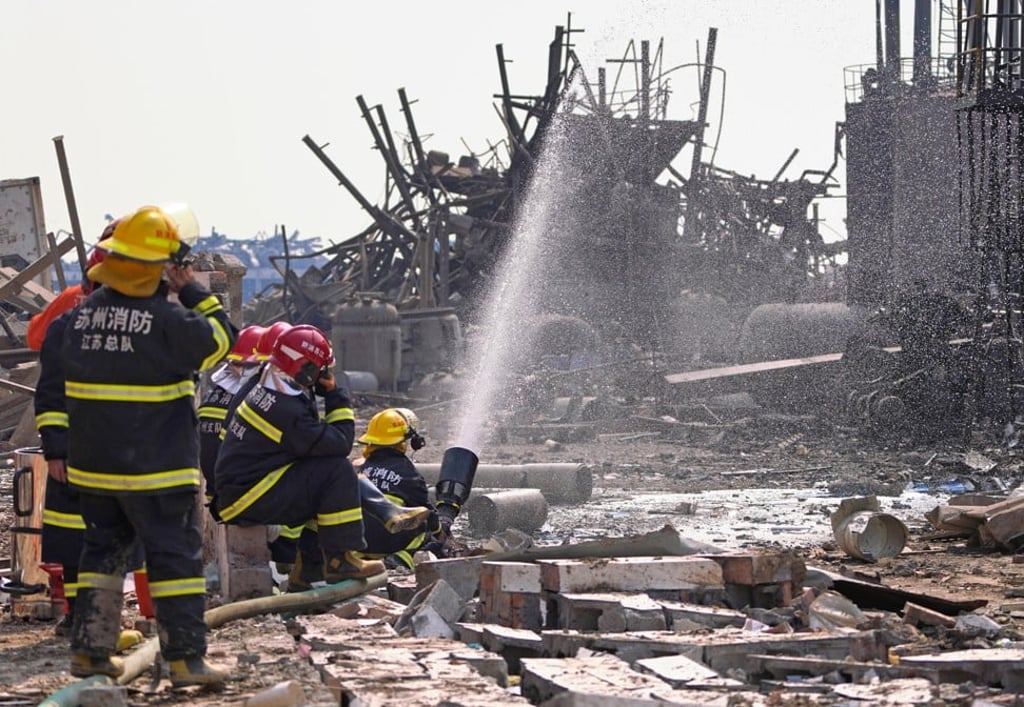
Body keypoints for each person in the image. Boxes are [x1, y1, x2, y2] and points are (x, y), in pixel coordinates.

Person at [61, 204, 236, 686]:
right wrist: (193, 290)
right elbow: (224, 340)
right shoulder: (169, 323)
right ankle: (185, 659)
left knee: (102, 557)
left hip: (96, 472)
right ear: (162, 269)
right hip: (158, 471)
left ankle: (91, 654)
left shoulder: (79, 321)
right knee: (175, 561)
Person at [213, 324, 398, 585]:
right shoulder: (287, 410)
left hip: (241, 489)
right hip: (247, 497)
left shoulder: (270, 385)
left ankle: (310, 567)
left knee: (322, 477)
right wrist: (335, 395)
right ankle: (339, 560)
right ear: (307, 370)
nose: (325, 374)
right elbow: (341, 443)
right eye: (322, 370)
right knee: (337, 471)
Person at [358, 408, 445, 567]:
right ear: (406, 441)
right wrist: (440, 532)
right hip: (388, 542)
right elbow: (427, 513)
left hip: (359, 543)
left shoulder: (362, 468)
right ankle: (401, 560)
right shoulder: (409, 474)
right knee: (424, 528)